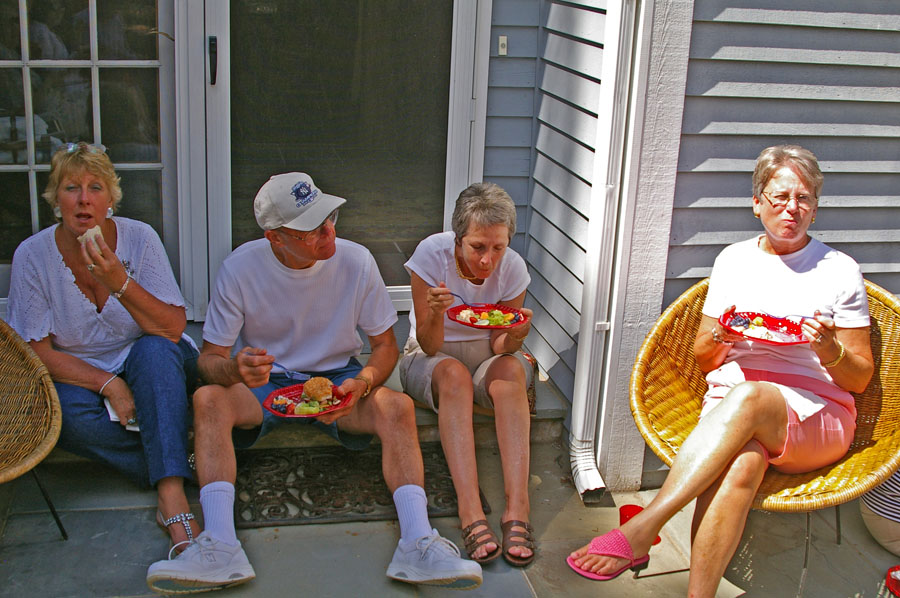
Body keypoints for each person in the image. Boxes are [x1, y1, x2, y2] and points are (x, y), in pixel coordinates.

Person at [146, 173, 483, 593]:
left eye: (330, 216)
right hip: (268, 382)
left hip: (339, 378)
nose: (330, 231)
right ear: (275, 238)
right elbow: (210, 360)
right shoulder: (240, 268)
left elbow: (384, 347)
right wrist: (236, 370)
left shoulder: (356, 261)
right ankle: (219, 546)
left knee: (396, 407)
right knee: (209, 398)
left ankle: (417, 543)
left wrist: (362, 382)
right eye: (312, 228)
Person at [567, 144, 875, 597]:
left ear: (815, 207)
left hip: (818, 415)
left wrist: (829, 349)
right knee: (742, 463)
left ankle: (645, 524)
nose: (792, 208)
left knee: (752, 396)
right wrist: (721, 338)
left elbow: (860, 378)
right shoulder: (733, 261)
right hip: (733, 405)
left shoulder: (839, 270)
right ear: (756, 203)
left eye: (804, 198)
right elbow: (704, 358)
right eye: (779, 196)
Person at [7, 141, 200, 553]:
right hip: (80, 372)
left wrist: (119, 282)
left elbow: (171, 328)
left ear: (110, 198)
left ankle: (171, 495)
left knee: (153, 352)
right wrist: (108, 383)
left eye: (95, 187)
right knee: (59, 415)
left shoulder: (139, 239)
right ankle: (182, 458)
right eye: (70, 187)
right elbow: (37, 352)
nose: (83, 199)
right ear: (55, 200)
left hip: (153, 358)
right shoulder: (33, 255)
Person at [399, 181, 535, 566]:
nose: (488, 260)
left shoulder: (513, 269)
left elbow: (498, 346)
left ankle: (517, 508)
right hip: (431, 358)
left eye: (498, 247)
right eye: (478, 247)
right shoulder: (431, 255)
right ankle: (470, 510)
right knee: (455, 376)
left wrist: (516, 336)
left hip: (484, 356)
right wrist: (436, 312)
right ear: (458, 238)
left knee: (510, 374)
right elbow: (427, 344)